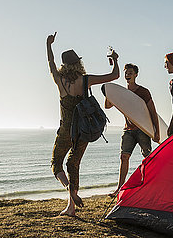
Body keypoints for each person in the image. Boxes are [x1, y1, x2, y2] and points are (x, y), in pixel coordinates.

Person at [46, 32, 119, 216]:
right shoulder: (86, 80)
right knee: (74, 164)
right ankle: (71, 205)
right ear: (78, 63)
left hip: (65, 131)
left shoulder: (60, 81)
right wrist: (115, 59)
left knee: (57, 164)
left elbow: (51, 64)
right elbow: (114, 75)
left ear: (64, 66)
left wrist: (49, 45)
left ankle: (70, 192)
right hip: (82, 130)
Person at [106, 63, 160, 197]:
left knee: (148, 157)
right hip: (128, 130)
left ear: (136, 74)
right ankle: (119, 188)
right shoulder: (122, 93)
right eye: (126, 73)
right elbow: (107, 106)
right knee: (124, 157)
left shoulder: (143, 92)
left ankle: (150, 185)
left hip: (142, 129)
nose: (127, 75)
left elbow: (153, 112)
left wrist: (156, 131)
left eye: (130, 72)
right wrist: (109, 93)